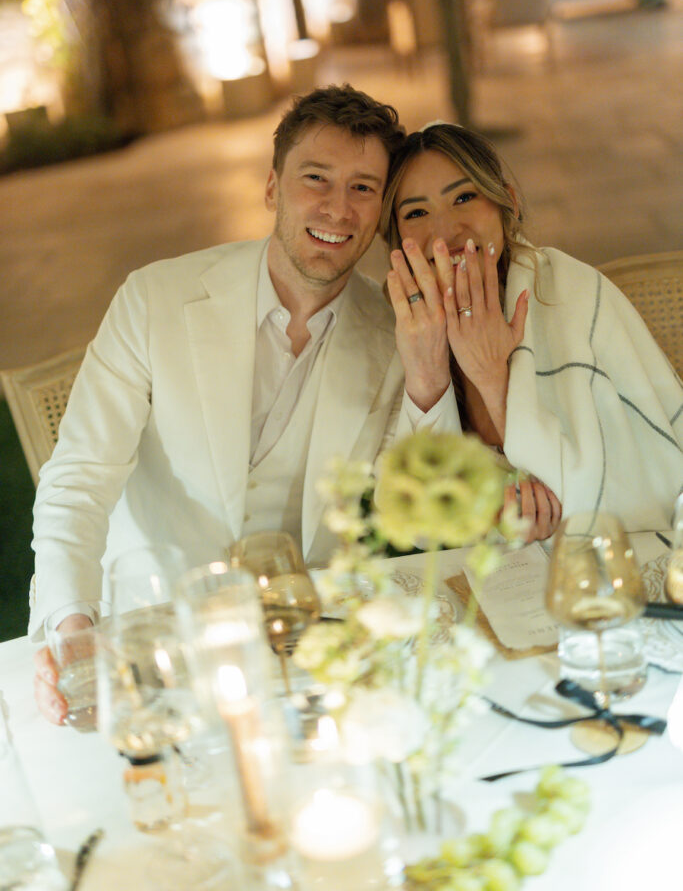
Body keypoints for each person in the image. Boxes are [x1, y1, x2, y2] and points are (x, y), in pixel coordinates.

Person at [32, 85, 461, 724]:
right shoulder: (155, 298)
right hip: (149, 626)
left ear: (380, 215)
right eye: (316, 178)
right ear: (271, 189)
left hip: (302, 640)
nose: (338, 209)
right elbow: (78, 482)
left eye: (363, 188)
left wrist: (428, 370)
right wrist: (72, 623)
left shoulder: (397, 330)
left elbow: (423, 512)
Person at [379, 121, 683, 537]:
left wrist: (493, 379)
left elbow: (639, 491)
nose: (446, 231)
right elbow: (406, 523)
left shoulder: (574, 295)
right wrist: (426, 373)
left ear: (510, 202)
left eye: (465, 197)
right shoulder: (402, 327)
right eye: (417, 212)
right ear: (398, 240)